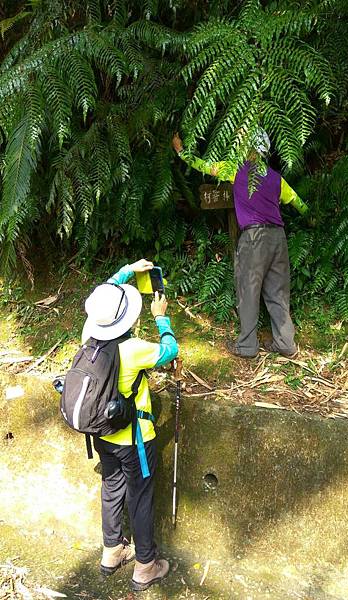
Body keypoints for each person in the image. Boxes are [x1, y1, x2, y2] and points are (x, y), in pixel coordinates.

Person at [81, 258, 178, 591]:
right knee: (140, 498)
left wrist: (125, 270)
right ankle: (145, 567)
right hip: (136, 439)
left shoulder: (88, 337)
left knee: (111, 489)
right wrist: (162, 316)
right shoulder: (134, 349)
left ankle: (112, 552)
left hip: (102, 433)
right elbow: (170, 350)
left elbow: (102, 300)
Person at [172, 131, 307, 358]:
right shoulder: (276, 178)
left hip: (254, 239)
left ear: (249, 149)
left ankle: (246, 346)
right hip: (279, 238)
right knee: (278, 292)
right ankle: (285, 343)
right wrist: (314, 217)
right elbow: (298, 203)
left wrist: (180, 151)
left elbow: (203, 166)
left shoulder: (235, 168)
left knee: (248, 290)